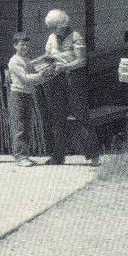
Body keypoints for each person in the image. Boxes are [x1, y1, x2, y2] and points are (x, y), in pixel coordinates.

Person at [40, 9, 101, 166]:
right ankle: (58, 156)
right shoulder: (51, 38)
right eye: (51, 28)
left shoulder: (76, 36)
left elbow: (82, 61)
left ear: (63, 24)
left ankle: (93, 155)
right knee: (57, 117)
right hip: (56, 80)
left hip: (73, 80)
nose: (54, 31)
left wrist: (65, 66)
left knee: (81, 116)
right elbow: (48, 56)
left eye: (55, 27)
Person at [7, 33, 55, 166]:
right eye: (22, 44)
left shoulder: (26, 60)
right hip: (17, 95)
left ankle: (25, 155)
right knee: (19, 127)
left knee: (27, 127)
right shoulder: (14, 61)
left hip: (28, 95)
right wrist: (42, 75)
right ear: (15, 45)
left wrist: (46, 63)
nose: (25, 47)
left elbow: (34, 70)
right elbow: (26, 78)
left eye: (27, 44)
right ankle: (20, 157)